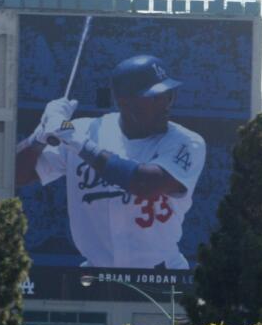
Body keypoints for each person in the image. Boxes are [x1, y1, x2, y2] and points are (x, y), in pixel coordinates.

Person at [14, 54, 206, 269]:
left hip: (162, 272)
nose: (165, 104)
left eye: (168, 95)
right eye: (154, 97)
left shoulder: (187, 141)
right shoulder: (86, 130)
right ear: (124, 101)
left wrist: (79, 143)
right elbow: (16, 175)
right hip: (96, 273)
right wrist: (39, 135)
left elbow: (146, 184)